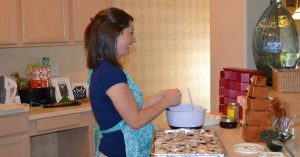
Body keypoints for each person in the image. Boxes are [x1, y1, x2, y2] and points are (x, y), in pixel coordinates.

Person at [84, 7, 182, 157]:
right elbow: (135, 120)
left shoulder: (103, 69)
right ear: (115, 35)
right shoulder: (110, 74)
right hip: (120, 151)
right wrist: (166, 102)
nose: (134, 39)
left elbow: (130, 107)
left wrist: (160, 96)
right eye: (130, 33)